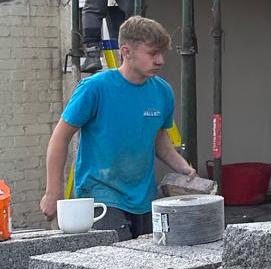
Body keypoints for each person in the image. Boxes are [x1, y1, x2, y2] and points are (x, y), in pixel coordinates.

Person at [41, 16, 197, 240]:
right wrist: (53, 192)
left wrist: (184, 168)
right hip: (101, 196)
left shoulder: (162, 91)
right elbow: (60, 138)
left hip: (144, 198)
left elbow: (160, 141)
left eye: (162, 53)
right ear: (127, 51)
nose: (161, 60)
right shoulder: (95, 88)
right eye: (153, 53)